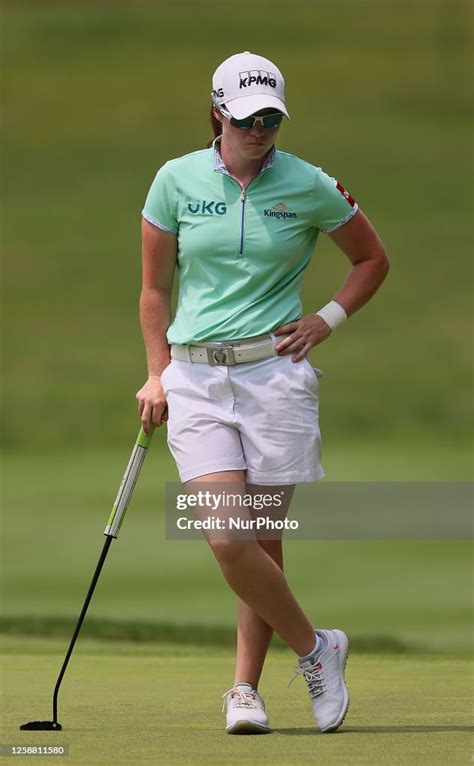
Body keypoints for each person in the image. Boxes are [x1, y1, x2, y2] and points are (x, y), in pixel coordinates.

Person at [136, 51, 389, 735]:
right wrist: (156, 373)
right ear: (219, 111)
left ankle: (244, 692)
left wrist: (325, 320)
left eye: (272, 118)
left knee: (261, 543)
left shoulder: (308, 184)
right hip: (195, 378)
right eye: (249, 119)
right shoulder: (175, 180)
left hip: (274, 378)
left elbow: (371, 259)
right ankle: (318, 647)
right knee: (226, 537)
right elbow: (155, 291)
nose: (262, 130)